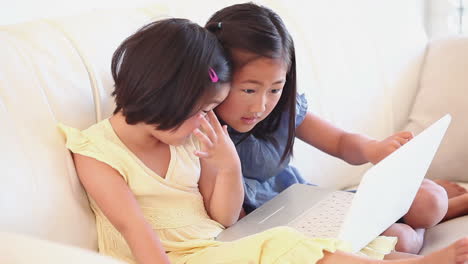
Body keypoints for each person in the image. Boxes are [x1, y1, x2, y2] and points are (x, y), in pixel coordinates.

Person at [58, 17, 468, 264]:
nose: (208, 120)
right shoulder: (98, 152)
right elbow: (135, 230)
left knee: (359, 245)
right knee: (287, 243)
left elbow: (224, 218)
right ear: (165, 95)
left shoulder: (186, 139)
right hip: (183, 256)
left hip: (219, 241)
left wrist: (226, 166)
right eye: (201, 110)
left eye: (210, 109)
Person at [206, 2, 467, 255]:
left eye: (275, 89)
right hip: (282, 232)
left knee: (431, 199)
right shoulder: (203, 132)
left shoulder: (282, 110)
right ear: (218, 76)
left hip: (314, 205)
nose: (261, 105)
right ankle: (425, 223)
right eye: (249, 90)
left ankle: (431, 213)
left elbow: (341, 142)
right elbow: (229, 222)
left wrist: (373, 149)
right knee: (403, 241)